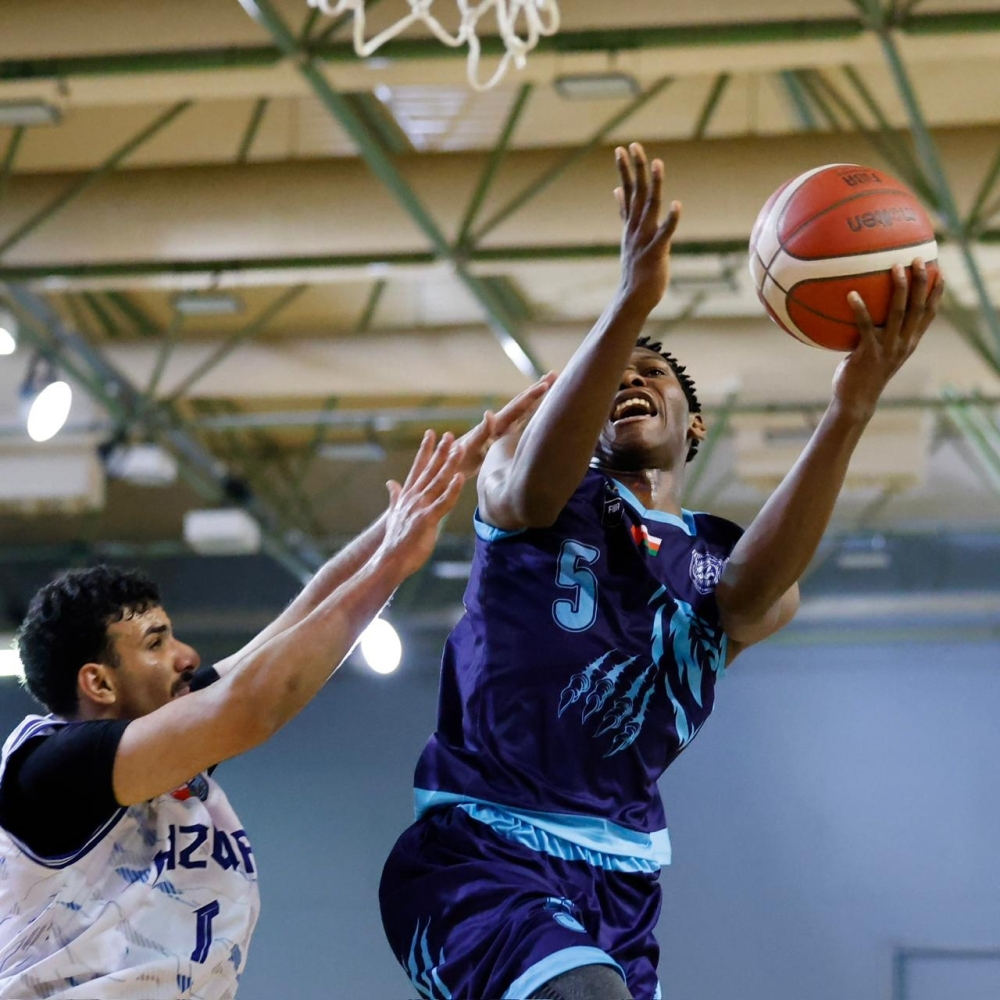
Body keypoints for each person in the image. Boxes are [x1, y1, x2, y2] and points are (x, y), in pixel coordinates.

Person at [379, 143, 944, 1000]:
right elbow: (530, 482)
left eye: (652, 372)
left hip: (622, 882)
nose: (629, 382)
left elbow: (756, 595)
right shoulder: (524, 485)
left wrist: (851, 404)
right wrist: (631, 297)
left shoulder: (722, 561)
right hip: (481, 851)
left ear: (696, 427)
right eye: (611, 378)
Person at [0, 379, 551, 1000]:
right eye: (156, 644)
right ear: (97, 683)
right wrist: (395, 562)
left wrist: (415, 512)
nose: (187, 656)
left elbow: (294, 621)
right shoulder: (50, 773)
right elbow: (251, 705)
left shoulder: (157, 747)